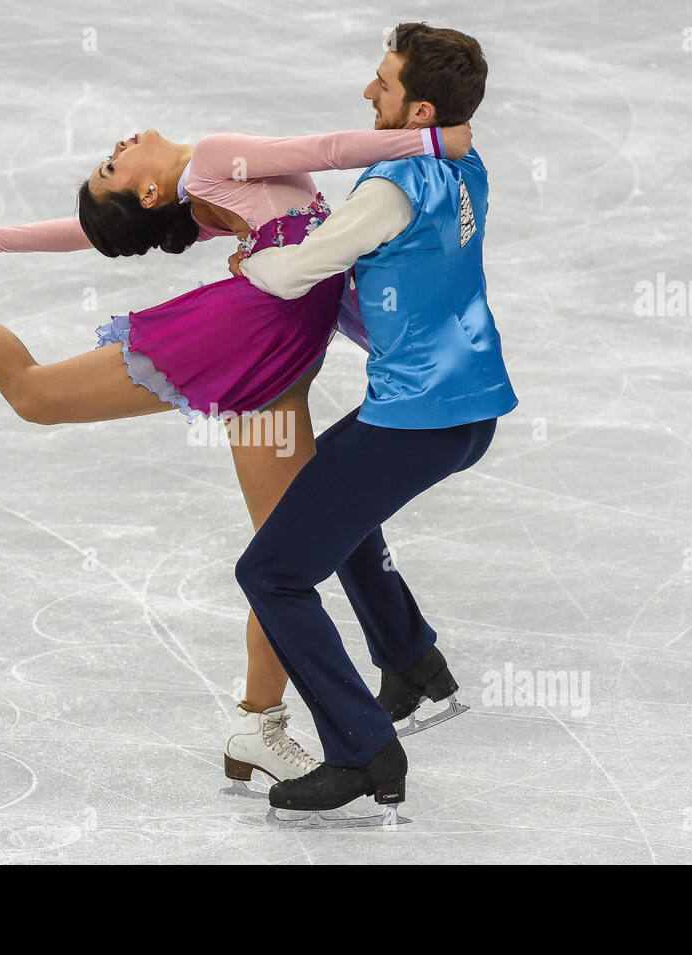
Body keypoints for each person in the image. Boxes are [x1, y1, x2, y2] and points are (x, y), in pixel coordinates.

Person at [0, 120, 471, 788]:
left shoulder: (204, 192)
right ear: (150, 190)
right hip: (247, 333)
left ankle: (258, 722)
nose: (119, 144)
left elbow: (89, 230)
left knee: (286, 555)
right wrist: (432, 142)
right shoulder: (211, 159)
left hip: (281, 357)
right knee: (35, 394)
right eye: (111, 165)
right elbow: (320, 152)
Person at [232, 22, 518, 820]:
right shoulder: (465, 165)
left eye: (383, 84)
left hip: (416, 417)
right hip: (468, 408)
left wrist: (247, 260)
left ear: (418, 107)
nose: (368, 92)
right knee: (336, 504)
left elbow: (298, 270)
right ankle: (409, 659)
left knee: (272, 572)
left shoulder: (394, 186)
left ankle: (361, 747)